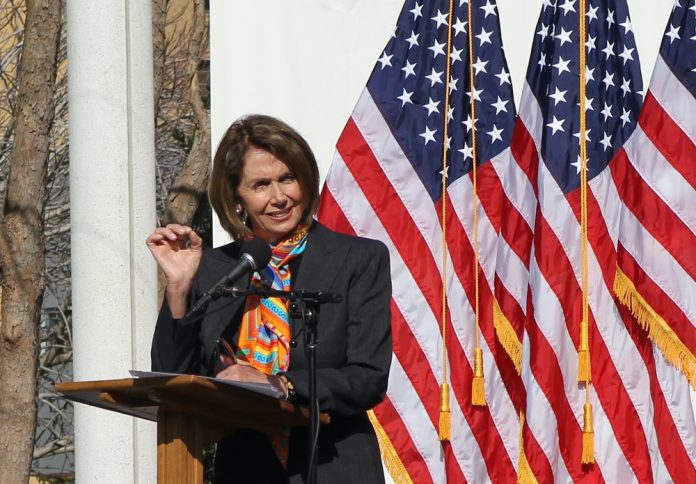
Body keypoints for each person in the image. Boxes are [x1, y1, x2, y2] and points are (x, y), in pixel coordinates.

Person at [147, 114, 392, 483]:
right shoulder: (214, 268)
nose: (279, 197)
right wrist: (179, 287)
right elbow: (172, 380)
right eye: (260, 185)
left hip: (334, 464)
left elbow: (367, 377)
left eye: (288, 178)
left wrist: (281, 385)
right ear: (236, 197)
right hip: (246, 468)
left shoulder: (358, 259)